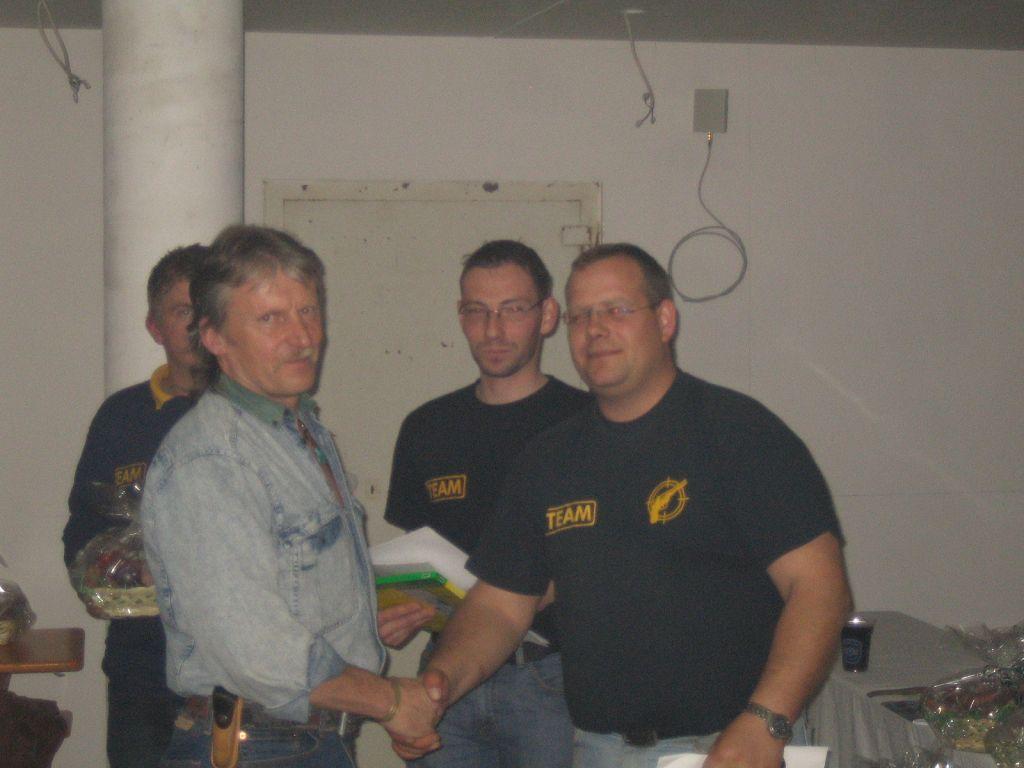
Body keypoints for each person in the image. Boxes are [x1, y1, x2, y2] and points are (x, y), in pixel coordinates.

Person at [402, 243, 853, 768]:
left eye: (615, 309)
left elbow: (819, 588)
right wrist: (440, 682)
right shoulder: (550, 458)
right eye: (581, 316)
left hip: (730, 747)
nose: (595, 329)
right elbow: (501, 605)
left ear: (664, 320)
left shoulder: (738, 434)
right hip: (598, 748)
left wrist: (765, 721)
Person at [140, 225, 441, 767]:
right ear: (214, 337)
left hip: (302, 740)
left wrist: (360, 616)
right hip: (259, 746)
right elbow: (257, 652)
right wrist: (393, 702)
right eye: (270, 319)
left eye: (308, 311)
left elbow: (290, 581)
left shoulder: (299, 427)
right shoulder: (212, 460)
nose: (302, 336)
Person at [384, 240, 590, 767]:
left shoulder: (588, 422)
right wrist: (402, 611)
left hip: (554, 678)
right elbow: (417, 559)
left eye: (512, 309)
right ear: (461, 316)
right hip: (445, 678)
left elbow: (609, 556)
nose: (493, 330)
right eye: (477, 311)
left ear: (548, 316)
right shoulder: (427, 427)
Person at [63, 244, 207, 768]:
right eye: (182, 310)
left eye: (207, 308)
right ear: (154, 328)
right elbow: (83, 526)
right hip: (142, 669)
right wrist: (105, 576)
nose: (196, 324)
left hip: (239, 677)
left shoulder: (259, 414)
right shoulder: (120, 417)